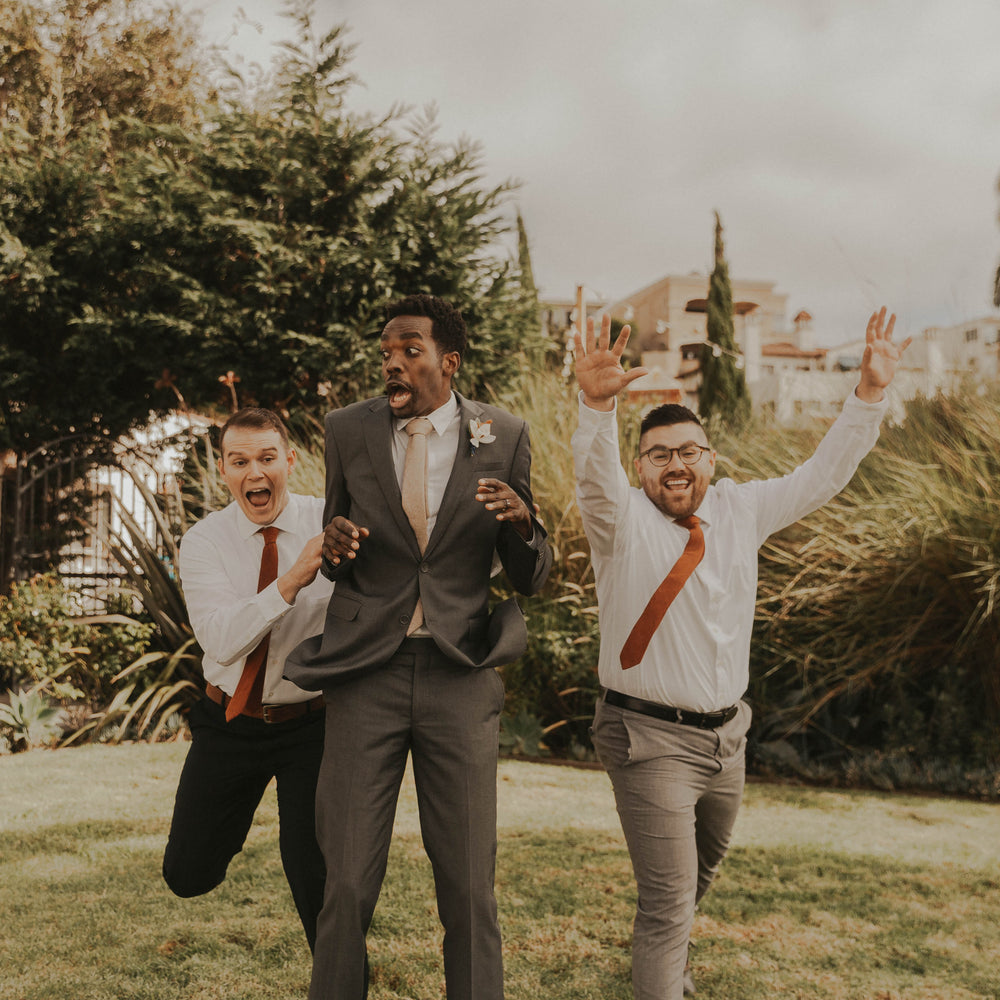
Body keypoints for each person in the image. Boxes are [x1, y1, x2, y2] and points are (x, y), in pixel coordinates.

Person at [571, 309, 910, 999]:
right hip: (647, 737)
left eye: (688, 451)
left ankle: (667, 964)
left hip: (728, 737)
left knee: (700, 874)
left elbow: (822, 475)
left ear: (710, 459)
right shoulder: (620, 520)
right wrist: (595, 406)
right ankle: (664, 971)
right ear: (640, 467)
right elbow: (594, 478)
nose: (675, 464)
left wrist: (868, 394)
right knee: (666, 904)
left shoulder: (740, 508)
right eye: (659, 454)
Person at [284, 293, 553, 1000]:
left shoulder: (506, 433)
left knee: (468, 884)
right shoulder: (347, 430)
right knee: (344, 882)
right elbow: (340, 544)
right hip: (364, 675)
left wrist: (525, 525)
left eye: (410, 350)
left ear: (449, 360)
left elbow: (531, 569)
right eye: (386, 353)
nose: (393, 364)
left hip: (458, 675)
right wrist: (334, 547)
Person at [162, 407, 331, 952]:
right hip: (229, 721)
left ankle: (339, 982)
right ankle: (230, 819)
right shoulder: (204, 541)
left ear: (290, 460)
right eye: (239, 461)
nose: (254, 473)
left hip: (312, 726)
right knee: (187, 874)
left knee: (316, 878)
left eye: (266, 458)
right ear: (223, 470)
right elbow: (220, 639)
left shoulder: (329, 523)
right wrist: (291, 581)